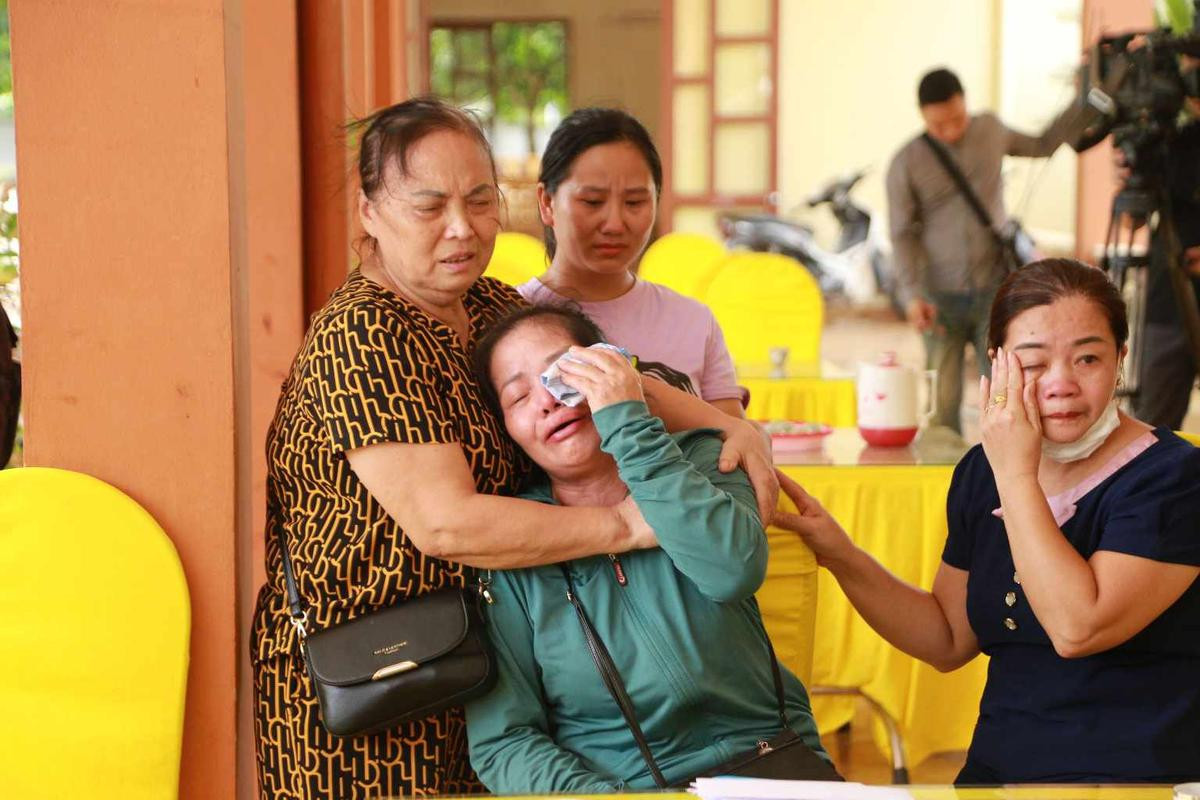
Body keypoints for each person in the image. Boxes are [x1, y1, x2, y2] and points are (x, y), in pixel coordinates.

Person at [250, 97, 778, 799]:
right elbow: (446, 523)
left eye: (479, 200)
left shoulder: (493, 307)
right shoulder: (363, 336)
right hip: (381, 684)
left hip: (492, 676)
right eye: (429, 206)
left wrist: (728, 424)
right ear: (370, 210)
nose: (462, 230)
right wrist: (624, 528)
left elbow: (619, 377)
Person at [776, 258, 1200, 783]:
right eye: (1034, 362)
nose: (1062, 382)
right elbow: (950, 638)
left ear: (1121, 361)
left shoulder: (1174, 477)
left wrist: (1016, 474)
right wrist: (841, 555)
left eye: (1088, 358)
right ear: (996, 363)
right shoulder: (982, 470)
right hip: (998, 774)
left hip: (1131, 781)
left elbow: (1077, 627)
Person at [464, 305, 830, 792]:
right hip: (622, 788)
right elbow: (503, 740)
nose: (546, 402)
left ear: (611, 370)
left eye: (562, 374)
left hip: (770, 765)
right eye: (518, 397)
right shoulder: (512, 543)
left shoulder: (703, 459)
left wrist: (627, 421)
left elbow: (732, 569)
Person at [887, 68, 1082, 433]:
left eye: (957, 119)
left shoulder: (991, 130)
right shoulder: (906, 162)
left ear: (966, 104)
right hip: (937, 297)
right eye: (938, 125)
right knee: (943, 401)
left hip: (995, 288)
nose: (950, 131)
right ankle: (944, 475)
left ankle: (1000, 477)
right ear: (923, 117)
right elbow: (901, 235)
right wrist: (912, 295)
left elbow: (1042, 144)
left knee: (1002, 391)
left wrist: (1084, 98)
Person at [517, 107, 745, 416]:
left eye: (635, 202)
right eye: (592, 202)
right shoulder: (511, 318)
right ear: (547, 202)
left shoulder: (692, 322)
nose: (614, 223)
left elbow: (733, 445)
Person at [1126, 54, 1200, 429]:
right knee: (1151, 430)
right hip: (1167, 300)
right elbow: (1131, 216)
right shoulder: (1173, 143)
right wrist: (1132, 168)